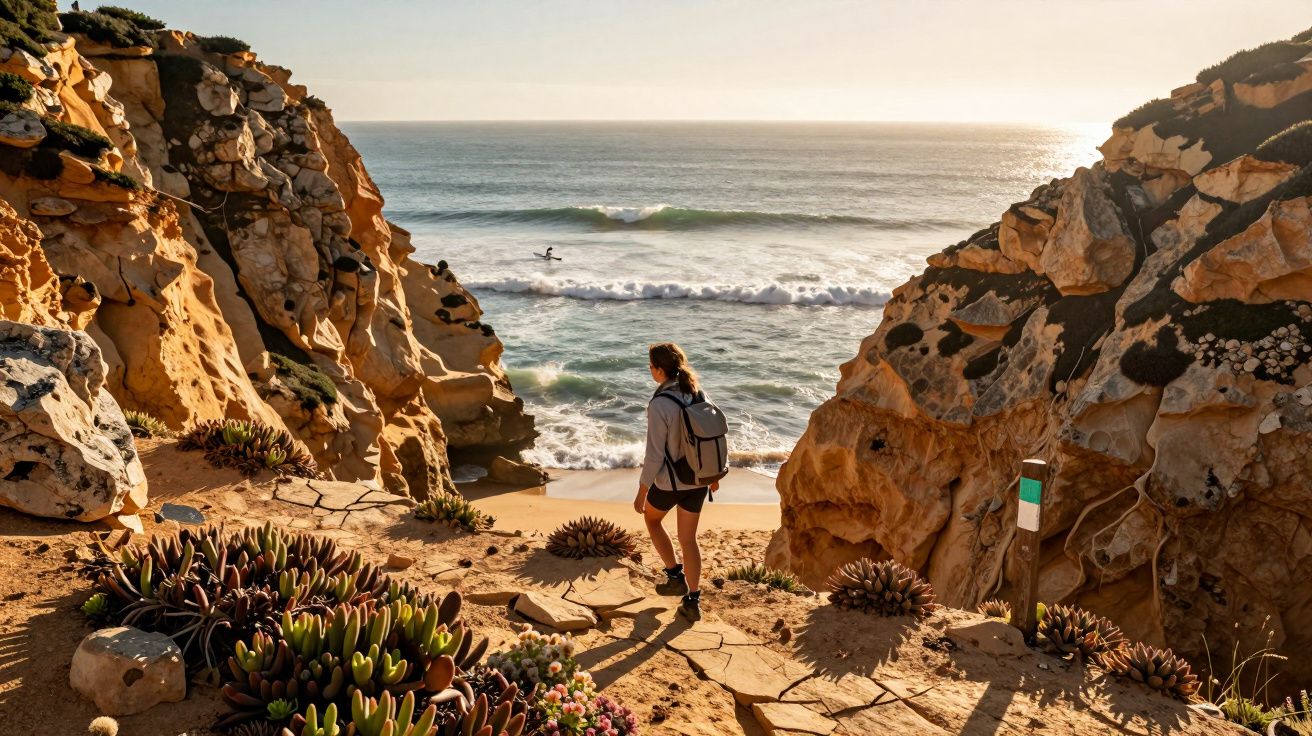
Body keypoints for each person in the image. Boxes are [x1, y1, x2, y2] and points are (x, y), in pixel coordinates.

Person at [634, 342, 718, 621]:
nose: (650, 371)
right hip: (699, 479)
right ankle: (693, 601)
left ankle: (674, 576)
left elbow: (655, 453)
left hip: (670, 483)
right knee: (689, 539)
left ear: (659, 370)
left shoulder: (660, 404)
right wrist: (714, 475)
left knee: (652, 519)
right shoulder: (697, 392)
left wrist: (642, 489)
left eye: (651, 367)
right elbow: (713, 436)